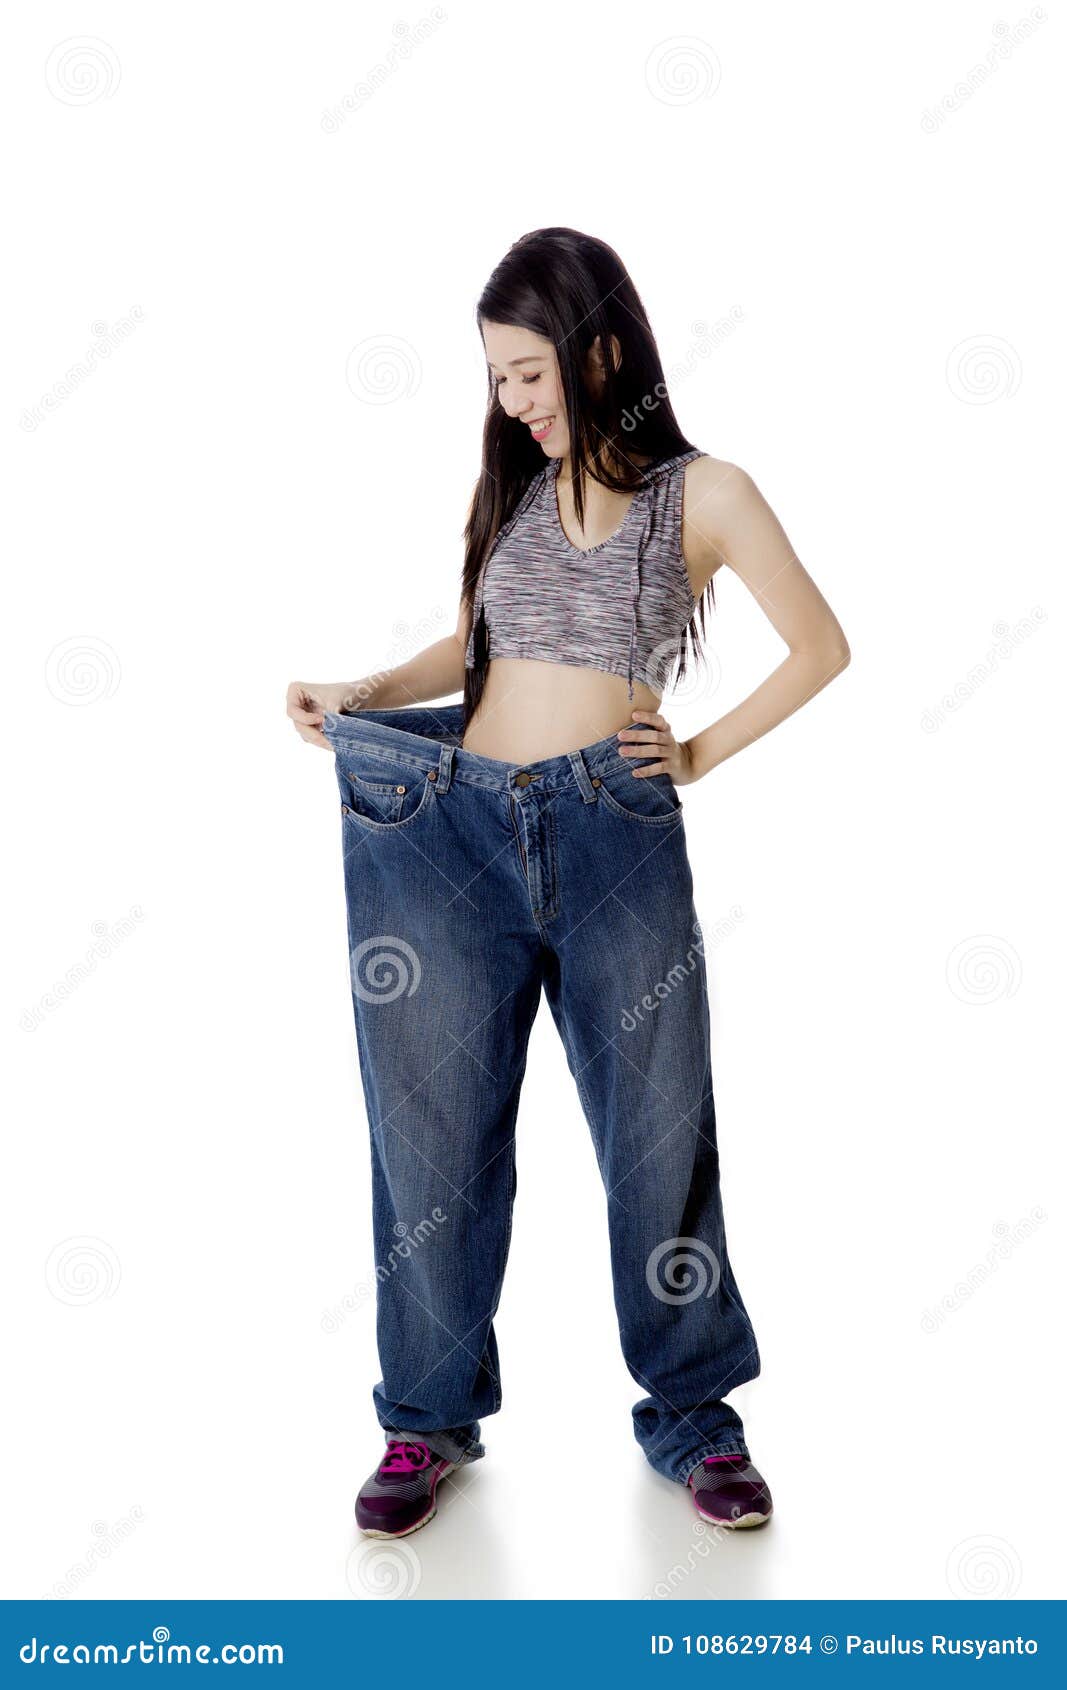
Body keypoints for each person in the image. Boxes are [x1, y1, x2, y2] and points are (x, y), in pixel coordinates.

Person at [287, 227, 850, 1541]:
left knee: (662, 1138)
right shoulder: (515, 496)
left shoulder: (704, 493)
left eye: (530, 373)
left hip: (612, 829)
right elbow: (478, 649)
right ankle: (424, 1419)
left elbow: (822, 643)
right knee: (430, 1148)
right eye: (495, 379)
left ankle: (696, 1416)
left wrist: (697, 749)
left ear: (601, 350)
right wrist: (358, 690)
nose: (513, 404)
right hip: (443, 835)